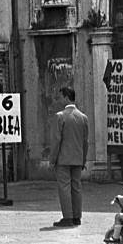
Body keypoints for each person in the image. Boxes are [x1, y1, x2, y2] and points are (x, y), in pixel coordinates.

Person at [50, 87, 89, 227]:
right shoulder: (83, 117)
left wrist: (52, 159)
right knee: (76, 187)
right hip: (78, 158)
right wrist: (83, 159)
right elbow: (85, 142)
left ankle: (67, 217)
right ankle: (77, 216)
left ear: (66, 97)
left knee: (64, 187)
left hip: (63, 159)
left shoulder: (60, 116)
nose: (59, 99)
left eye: (61, 97)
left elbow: (56, 140)